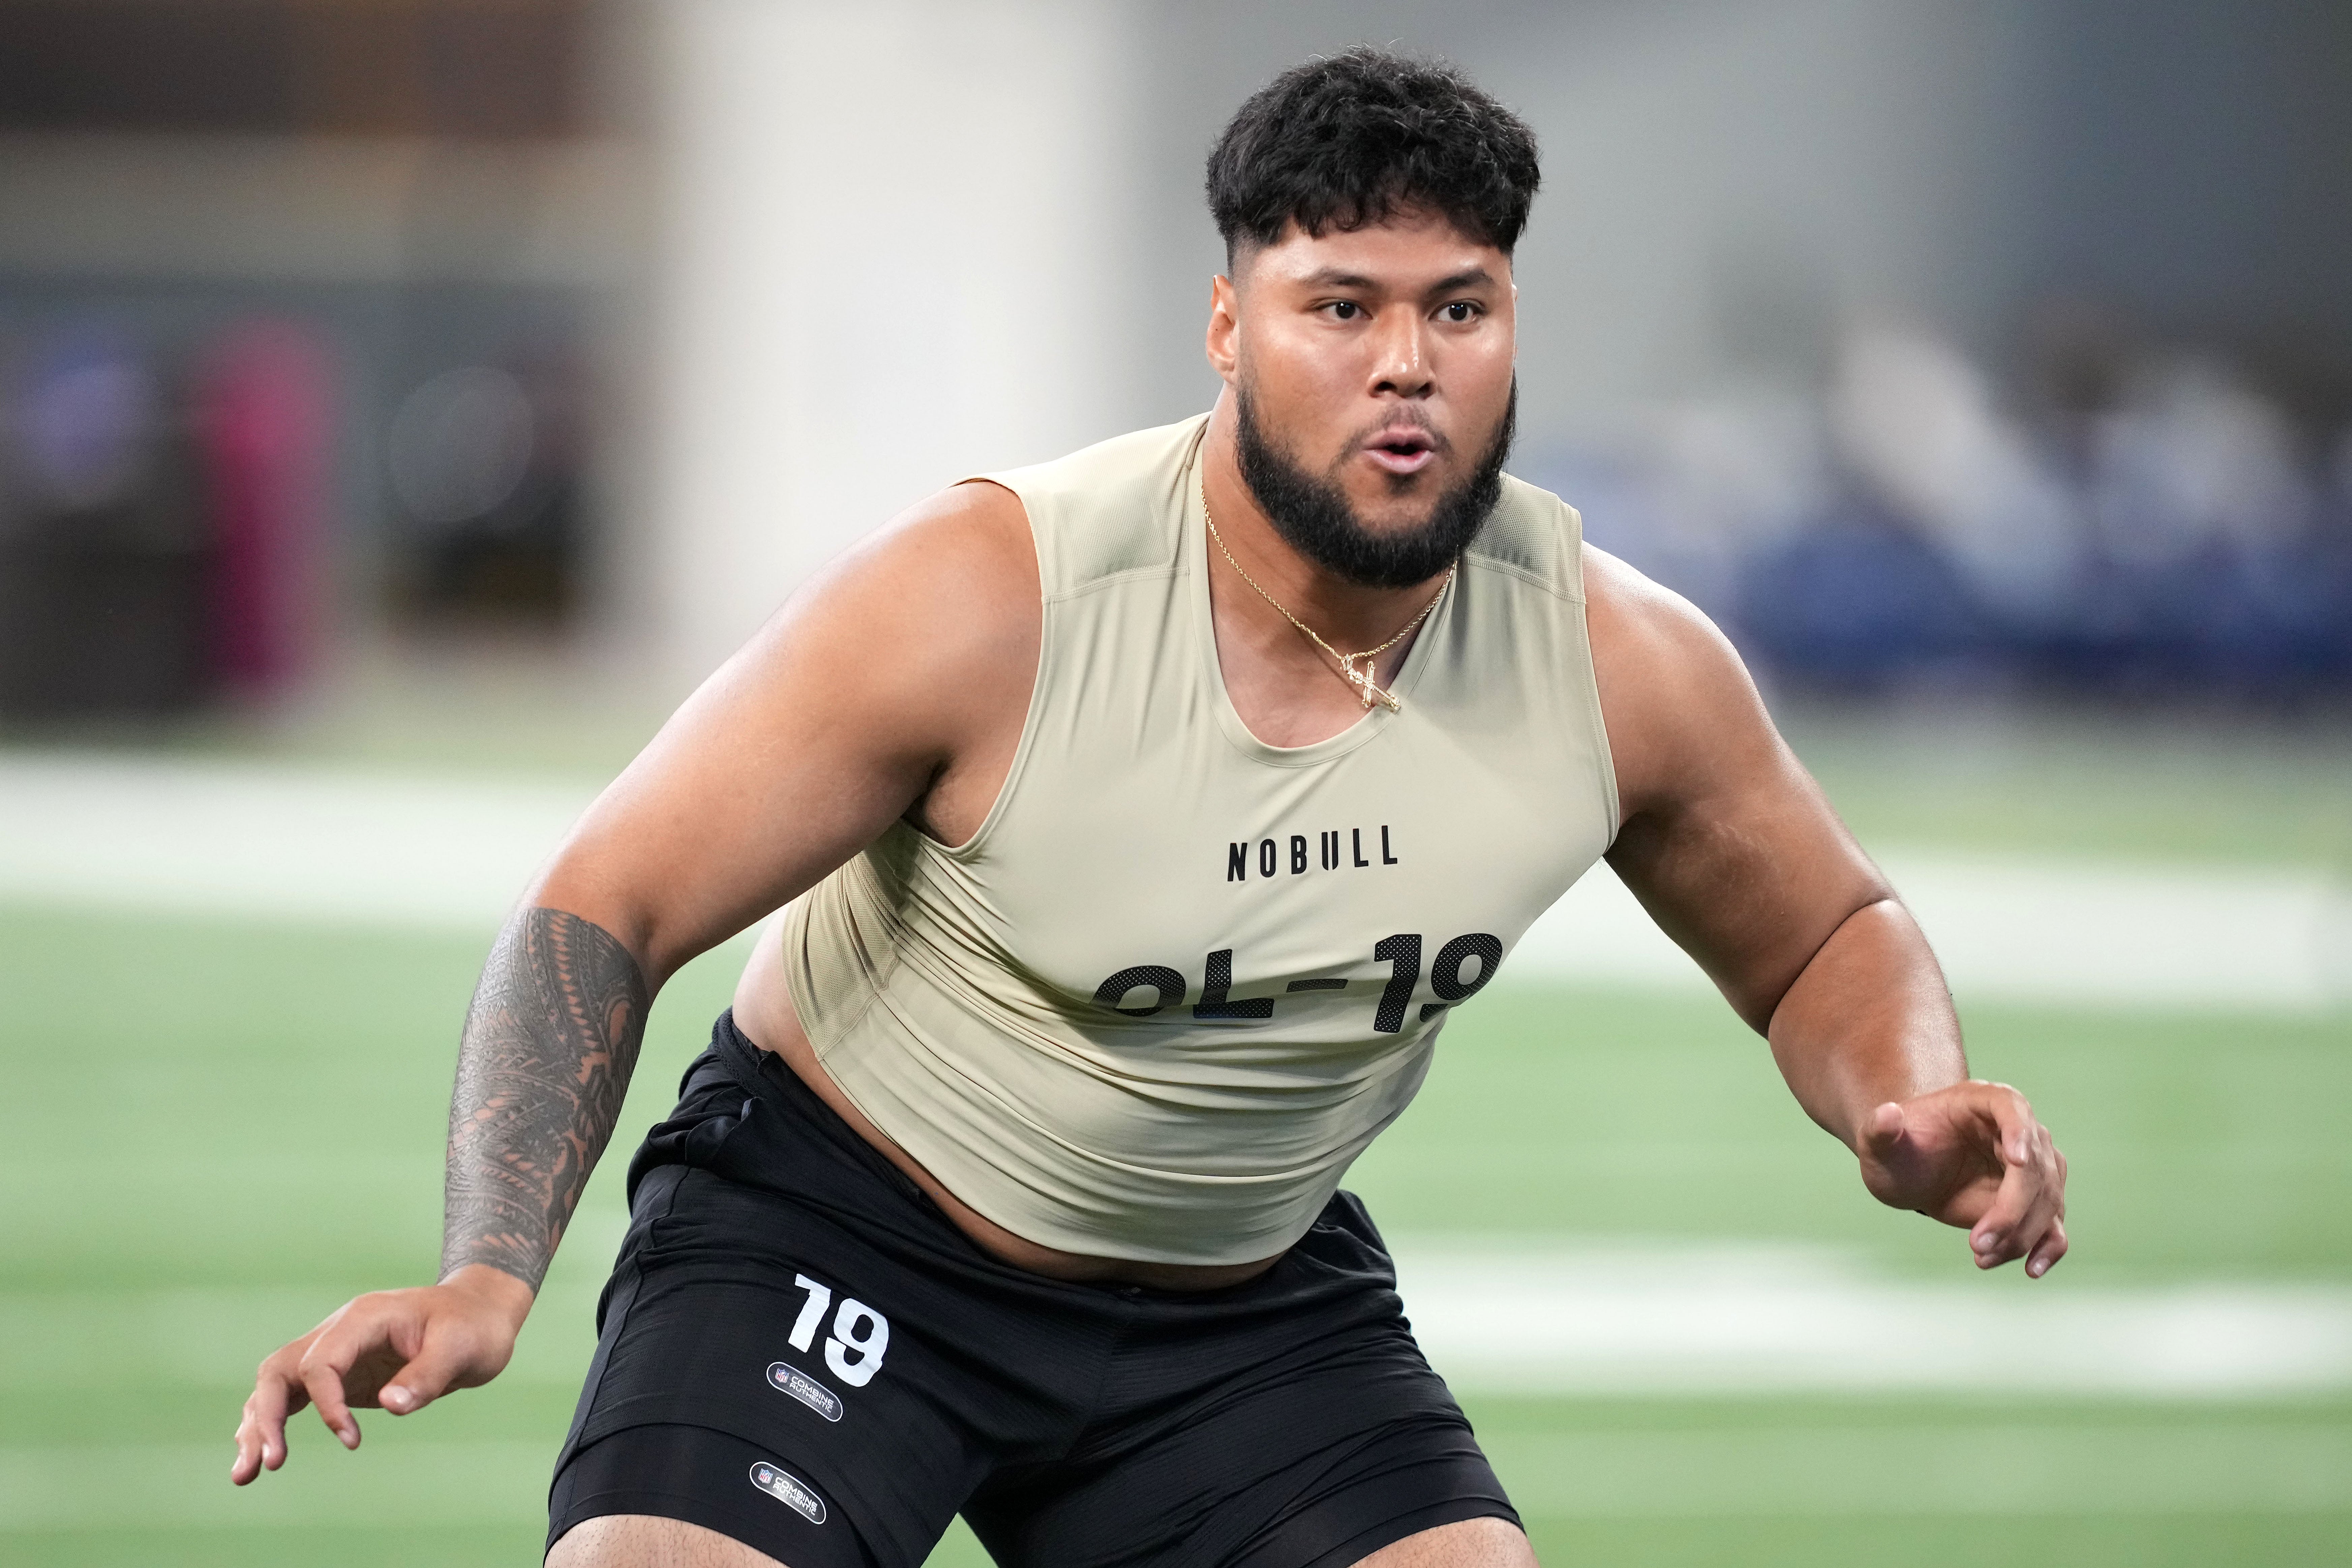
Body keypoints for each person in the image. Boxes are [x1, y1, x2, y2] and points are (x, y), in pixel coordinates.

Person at [232, 48, 2069, 1568]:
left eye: (1459, 308)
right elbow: (601, 904)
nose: (1405, 364)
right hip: (844, 1241)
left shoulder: (1615, 659)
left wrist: (1899, 1100)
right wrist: (487, 1271)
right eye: (1337, 307)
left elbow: (1825, 930)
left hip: (1235, 1305)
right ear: (1225, 323)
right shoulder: (990, 597)